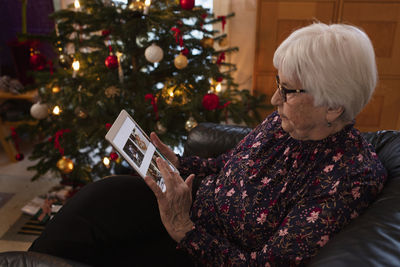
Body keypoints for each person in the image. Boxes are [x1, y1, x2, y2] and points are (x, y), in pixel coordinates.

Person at [29, 22, 387, 266]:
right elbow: (225, 165)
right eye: (279, 83)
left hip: (199, 250)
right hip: (184, 210)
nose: (275, 99)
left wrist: (184, 229)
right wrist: (179, 163)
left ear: (334, 105)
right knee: (96, 200)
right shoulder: (286, 124)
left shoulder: (349, 177)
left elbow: (265, 263)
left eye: (289, 91)